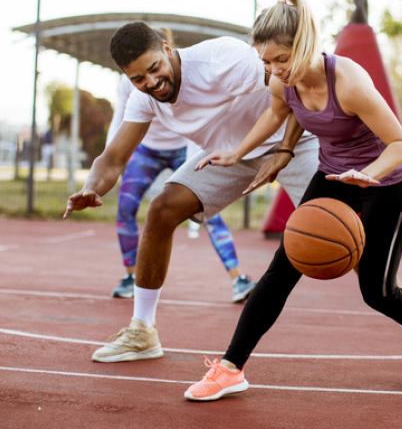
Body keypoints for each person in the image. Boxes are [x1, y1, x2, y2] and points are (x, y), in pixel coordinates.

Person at [183, 0, 402, 402]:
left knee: (377, 292)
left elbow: (401, 144)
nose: (273, 69)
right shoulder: (281, 81)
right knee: (279, 271)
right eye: (266, 61)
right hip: (333, 175)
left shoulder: (349, 81)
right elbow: (276, 113)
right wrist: (239, 151)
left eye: (281, 59)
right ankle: (231, 368)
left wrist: (369, 174)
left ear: (305, 44)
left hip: (387, 181)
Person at [63, 21, 321, 362]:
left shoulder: (221, 59)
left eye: (155, 68)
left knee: (341, 230)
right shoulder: (145, 99)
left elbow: (295, 89)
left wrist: (286, 149)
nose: (151, 82)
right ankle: (142, 331)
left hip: (295, 142)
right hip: (230, 154)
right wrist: (91, 187)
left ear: (168, 50)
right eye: (138, 79)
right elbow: (113, 158)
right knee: (163, 209)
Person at [106, 73, 256, 303]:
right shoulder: (128, 81)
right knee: (125, 208)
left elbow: (194, 125)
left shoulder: (181, 75)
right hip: (146, 150)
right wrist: (111, 164)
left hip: (183, 147)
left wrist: (192, 182)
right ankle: (130, 277)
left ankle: (239, 279)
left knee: (210, 212)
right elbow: (120, 119)